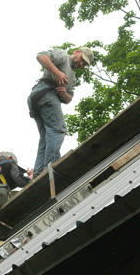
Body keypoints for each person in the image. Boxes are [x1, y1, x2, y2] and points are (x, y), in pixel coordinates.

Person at [27, 47, 94, 177]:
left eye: (84, 64)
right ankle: (51, 167)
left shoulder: (73, 79)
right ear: (76, 52)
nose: (81, 64)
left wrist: (63, 94)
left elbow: (69, 99)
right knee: (58, 129)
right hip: (45, 93)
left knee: (46, 138)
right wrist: (57, 72)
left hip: (41, 100)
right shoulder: (63, 56)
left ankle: (38, 174)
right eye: (82, 59)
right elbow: (41, 55)